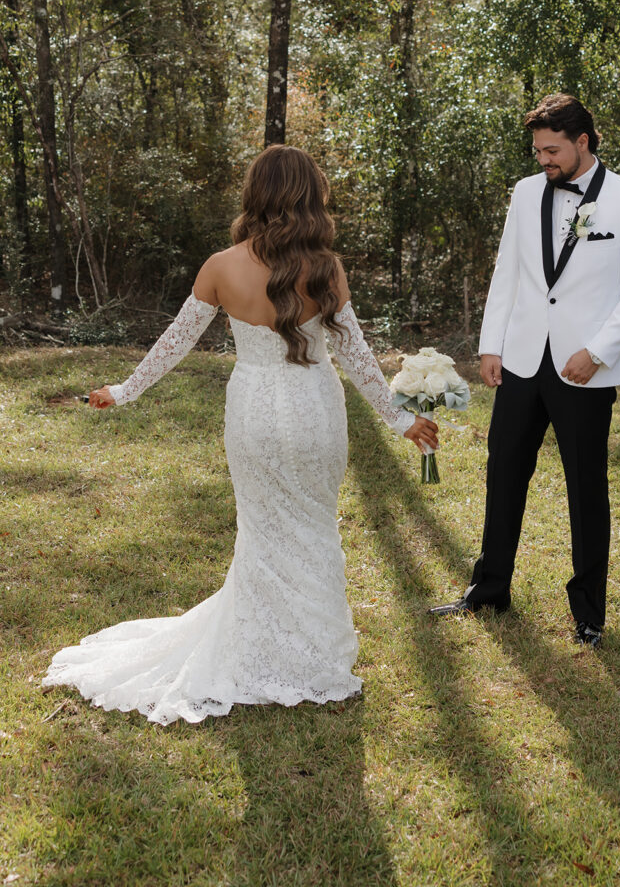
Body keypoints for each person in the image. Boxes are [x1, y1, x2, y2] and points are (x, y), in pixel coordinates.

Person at [43, 144, 438, 724]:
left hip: (253, 409)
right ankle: (315, 657)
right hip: (314, 409)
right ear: (310, 198)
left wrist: (126, 389)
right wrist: (400, 419)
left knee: (262, 529)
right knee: (312, 524)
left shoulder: (220, 265)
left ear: (255, 195)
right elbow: (356, 356)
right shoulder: (326, 268)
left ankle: (264, 645)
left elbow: (174, 344)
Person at [429, 93, 620, 647]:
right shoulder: (525, 192)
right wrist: (492, 345)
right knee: (503, 471)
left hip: (584, 369)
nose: (543, 161)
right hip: (523, 359)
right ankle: (489, 589)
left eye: (552, 150)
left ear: (584, 142)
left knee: (586, 487)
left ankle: (588, 613)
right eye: (537, 151)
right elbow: (507, 271)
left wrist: (597, 350)